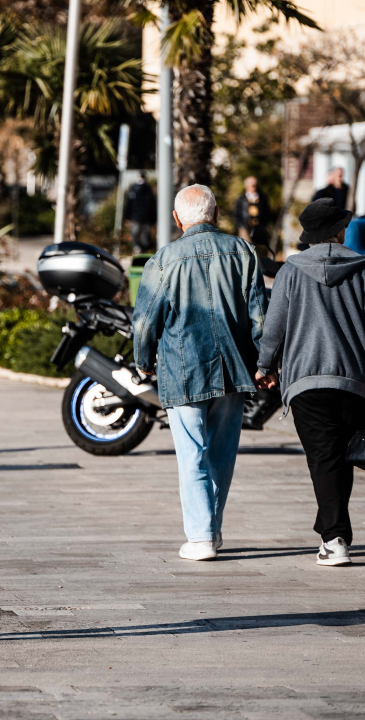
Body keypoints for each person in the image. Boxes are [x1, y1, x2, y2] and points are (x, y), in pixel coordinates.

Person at [133, 185, 267, 561]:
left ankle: (201, 537)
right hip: (233, 368)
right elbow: (260, 316)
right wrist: (264, 364)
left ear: (178, 219)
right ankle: (212, 529)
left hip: (184, 369)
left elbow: (144, 321)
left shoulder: (164, 259)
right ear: (217, 213)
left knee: (192, 453)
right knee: (222, 454)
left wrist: (142, 359)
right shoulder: (243, 252)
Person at [255, 198, 365, 567]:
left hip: (305, 383)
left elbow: (274, 328)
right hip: (353, 381)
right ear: (340, 231)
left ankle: (334, 539)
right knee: (339, 457)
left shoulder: (290, 272)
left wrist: (265, 365)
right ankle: (333, 531)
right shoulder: (362, 269)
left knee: (325, 459)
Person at [234, 176, 273, 254]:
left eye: (254, 185)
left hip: (259, 227)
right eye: (251, 185)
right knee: (245, 249)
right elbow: (236, 214)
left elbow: (267, 212)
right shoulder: (241, 199)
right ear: (246, 186)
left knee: (259, 250)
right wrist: (241, 225)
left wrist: (263, 224)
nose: (253, 187)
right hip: (245, 227)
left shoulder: (262, 198)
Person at [123, 175, 157, 253]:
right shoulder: (148, 190)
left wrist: (127, 217)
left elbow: (129, 205)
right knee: (143, 236)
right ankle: (142, 250)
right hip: (144, 217)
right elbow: (152, 206)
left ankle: (138, 249)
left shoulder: (133, 190)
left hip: (138, 217)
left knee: (138, 234)